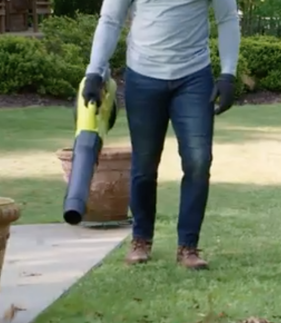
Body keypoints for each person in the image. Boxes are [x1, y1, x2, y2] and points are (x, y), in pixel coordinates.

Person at [83, 0, 241, 269]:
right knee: (144, 165)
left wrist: (228, 74)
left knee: (199, 161)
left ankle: (188, 247)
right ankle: (141, 240)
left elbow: (227, 19)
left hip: (193, 77)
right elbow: (110, 19)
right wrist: (94, 72)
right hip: (142, 76)